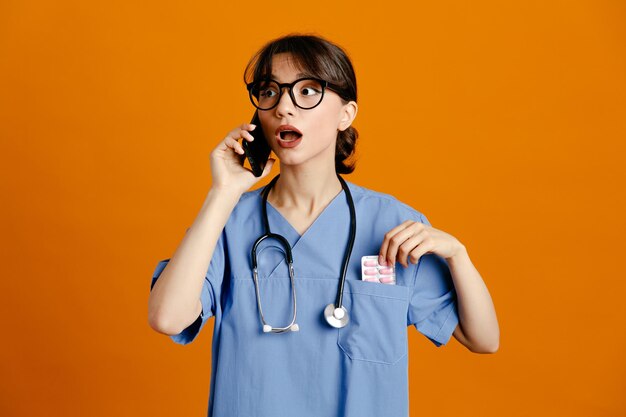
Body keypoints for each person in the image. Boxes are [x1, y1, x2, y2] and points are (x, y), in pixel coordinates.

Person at [147, 33, 499, 417]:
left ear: (346, 114)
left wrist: (459, 255)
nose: (284, 107)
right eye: (269, 91)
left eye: (307, 91)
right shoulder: (227, 222)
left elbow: (483, 339)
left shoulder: (395, 224)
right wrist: (221, 194)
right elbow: (167, 318)